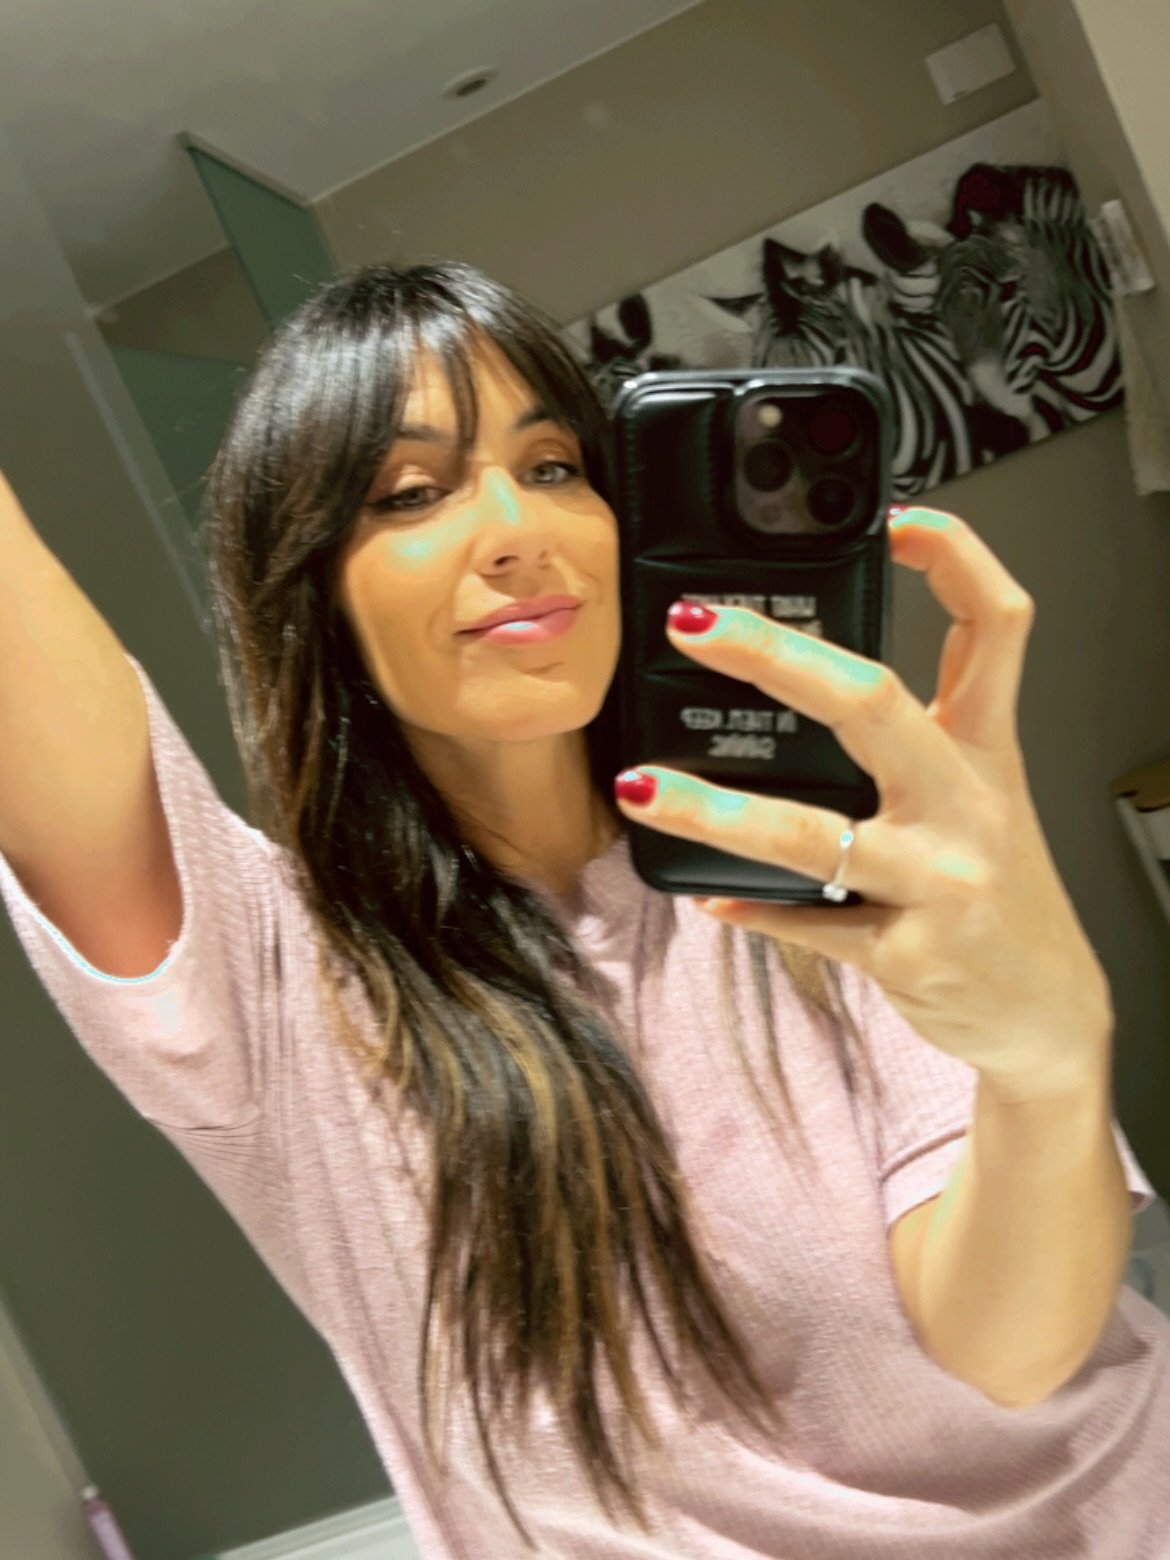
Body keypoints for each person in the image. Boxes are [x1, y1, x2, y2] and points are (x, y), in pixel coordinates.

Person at [0, 260, 1166, 1560]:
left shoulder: (799, 846)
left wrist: (1051, 1059)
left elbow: (1013, 1350)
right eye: (410, 492)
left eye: (553, 466)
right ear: (313, 591)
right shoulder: (266, 978)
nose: (517, 529)